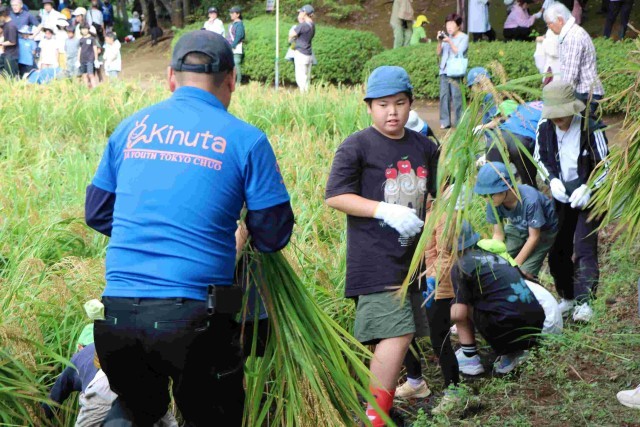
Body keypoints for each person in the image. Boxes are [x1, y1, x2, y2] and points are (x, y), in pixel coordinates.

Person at [84, 30, 294, 425]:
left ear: (170, 77)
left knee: (136, 411)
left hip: (116, 317)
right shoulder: (247, 140)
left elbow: (96, 212)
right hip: (195, 320)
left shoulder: (130, 128)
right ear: (231, 80)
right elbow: (273, 234)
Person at [325, 65, 438, 426]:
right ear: (369, 107)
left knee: (400, 334)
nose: (392, 112)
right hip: (375, 257)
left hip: (411, 259)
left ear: (410, 104)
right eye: (383, 104)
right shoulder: (357, 145)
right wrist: (383, 209)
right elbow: (335, 196)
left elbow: (437, 192)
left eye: (400, 103)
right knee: (397, 332)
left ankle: (381, 411)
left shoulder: (425, 146)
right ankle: (374, 418)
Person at [533, 80, 609, 323]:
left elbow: (605, 165)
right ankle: (567, 296)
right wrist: (552, 180)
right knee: (558, 247)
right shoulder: (545, 126)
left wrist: (589, 187)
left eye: (562, 113)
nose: (558, 119)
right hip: (561, 194)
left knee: (584, 246)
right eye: (553, 114)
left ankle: (585, 302)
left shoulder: (590, 126)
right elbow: (539, 157)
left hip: (588, 195)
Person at [451, 221, 546, 376]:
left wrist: (440, 319)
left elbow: (459, 314)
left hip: (507, 328)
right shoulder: (493, 255)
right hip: (537, 323)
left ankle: (469, 357)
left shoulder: (461, 266)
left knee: (460, 304)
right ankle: (516, 352)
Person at [42, 323, 179, 426]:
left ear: (79, 346)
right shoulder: (118, 346)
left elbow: (55, 397)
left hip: (103, 388)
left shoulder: (78, 357)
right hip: (141, 383)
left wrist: (40, 418)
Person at [474, 161, 558, 279]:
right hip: (517, 224)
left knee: (523, 274)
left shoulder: (530, 201)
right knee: (498, 262)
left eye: (490, 195)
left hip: (544, 230)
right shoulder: (493, 202)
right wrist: (496, 257)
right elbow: (498, 234)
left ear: (506, 188)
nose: (487, 200)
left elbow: (534, 237)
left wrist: (515, 265)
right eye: (483, 196)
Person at [544, 2, 605, 118]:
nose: (549, 27)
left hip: (585, 92)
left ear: (560, 20)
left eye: (549, 24)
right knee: (583, 126)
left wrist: (562, 99)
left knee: (583, 126)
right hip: (584, 91)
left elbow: (570, 74)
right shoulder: (570, 33)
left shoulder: (573, 37)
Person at [437, 13, 468, 130]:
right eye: (447, 24)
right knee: (444, 97)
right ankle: (445, 122)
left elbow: (459, 52)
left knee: (457, 97)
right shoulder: (446, 37)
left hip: (455, 71)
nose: (449, 27)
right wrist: (440, 41)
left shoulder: (464, 37)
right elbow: (438, 53)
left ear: (458, 25)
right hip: (444, 70)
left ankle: (460, 122)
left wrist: (449, 41)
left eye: (451, 24)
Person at [288, 4, 315, 93]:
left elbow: (291, 34)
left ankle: (303, 96)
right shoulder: (312, 25)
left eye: (301, 12)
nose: (300, 14)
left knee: (300, 78)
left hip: (301, 54)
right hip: (308, 54)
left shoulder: (303, 25)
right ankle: (306, 95)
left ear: (305, 13)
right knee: (306, 77)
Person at [0, 5, 20, 78]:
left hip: (11, 55)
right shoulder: (6, 24)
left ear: (4, 15)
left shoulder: (11, 26)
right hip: (6, 53)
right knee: (5, 74)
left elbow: (12, 42)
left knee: (11, 76)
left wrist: (1, 43)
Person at [227, 6, 244, 86]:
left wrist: (232, 45)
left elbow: (239, 36)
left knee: (236, 64)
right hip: (230, 46)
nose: (231, 14)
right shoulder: (232, 24)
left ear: (238, 14)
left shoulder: (239, 24)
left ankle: (238, 82)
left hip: (237, 47)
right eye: (231, 13)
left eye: (232, 13)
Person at [78, 23, 99, 88]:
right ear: (80, 30)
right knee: (84, 75)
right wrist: (78, 60)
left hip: (90, 59)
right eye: (82, 29)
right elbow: (79, 50)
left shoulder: (92, 39)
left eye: (86, 29)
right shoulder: (81, 40)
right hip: (82, 60)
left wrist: (96, 60)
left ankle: (95, 88)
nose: (84, 30)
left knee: (91, 74)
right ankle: (86, 89)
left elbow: (95, 49)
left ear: (88, 29)